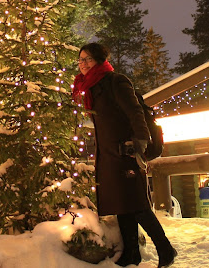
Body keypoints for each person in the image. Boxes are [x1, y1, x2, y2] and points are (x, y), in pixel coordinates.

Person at [72, 43, 177, 268]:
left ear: (100, 60)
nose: (83, 64)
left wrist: (141, 142)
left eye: (88, 59)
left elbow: (135, 111)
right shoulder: (90, 88)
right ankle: (131, 254)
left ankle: (165, 249)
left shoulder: (115, 81)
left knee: (137, 204)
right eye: (80, 60)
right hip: (108, 155)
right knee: (122, 204)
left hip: (126, 151)